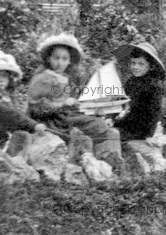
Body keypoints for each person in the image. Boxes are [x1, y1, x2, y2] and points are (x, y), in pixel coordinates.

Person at [27, 33, 124, 169]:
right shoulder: (44, 78)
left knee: (100, 124)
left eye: (64, 59)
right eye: (56, 58)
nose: (60, 62)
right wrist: (62, 105)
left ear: (69, 61)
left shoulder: (65, 79)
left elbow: (68, 98)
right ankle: (103, 161)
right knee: (95, 126)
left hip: (66, 115)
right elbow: (35, 106)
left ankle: (106, 161)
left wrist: (83, 104)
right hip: (52, 119)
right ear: (49, 59)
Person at [113, 43, 166, 141]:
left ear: (150, 66)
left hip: (140, 130)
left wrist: (148, 136)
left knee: (109, 135)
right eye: (133, 63)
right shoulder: (131, 81)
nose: (136, 67)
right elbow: (123, 102)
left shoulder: (154, 86)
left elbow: (155, 113)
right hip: (126, 123)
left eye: (141, 64)